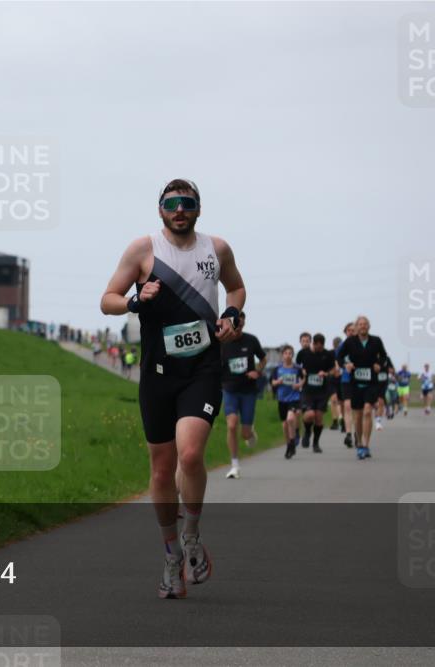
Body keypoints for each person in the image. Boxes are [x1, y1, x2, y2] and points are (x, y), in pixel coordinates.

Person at [100, 178, 245, 599]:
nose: (179, 209)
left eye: (187, 203)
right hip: (157, 373)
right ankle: (170, 554)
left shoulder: (216, 249)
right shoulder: (142, 251)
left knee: (191, 453)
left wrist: (233, 312)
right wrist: (133, 299)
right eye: (172, 203)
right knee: (162, 471)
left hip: (202, 368)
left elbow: (235, 286)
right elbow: (107, 298)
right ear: (160, 210)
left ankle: (193, 536)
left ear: (198, 209)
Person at [219, 311, 266, 478]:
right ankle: (234, 465)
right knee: (232, 424)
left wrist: (257, 372)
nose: (238, 328)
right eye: (236, 324)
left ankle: (250, 432)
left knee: (245, 433)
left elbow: (263, 359)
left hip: (248, 390)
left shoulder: (251, 340)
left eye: (241, 324)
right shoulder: (222, 341)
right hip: (229, 389)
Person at [337, 315, 390, 460]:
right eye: (360, 324)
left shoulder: (376, 341)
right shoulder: (350, 341)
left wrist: (379, 364)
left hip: (371, 383)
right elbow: (339, 357)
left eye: (365, 324)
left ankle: (366, 445)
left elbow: (384, 356)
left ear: (369, 326)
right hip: (355, 383)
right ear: (356, 327)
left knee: (367, 412)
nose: (363, 326)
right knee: (358, 415)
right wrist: (345, 365)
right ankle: (359, 443)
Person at [299, 333, 336, 453]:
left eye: (321, 347)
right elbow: (297, 366)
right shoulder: (304, 353)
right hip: (307, 390)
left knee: (319, 417)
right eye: (317, 347)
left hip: (322, 391)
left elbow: (333, 370)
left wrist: (325, 374)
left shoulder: (327, 354)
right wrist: (302, 371)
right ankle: (307, 431)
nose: (319, 349)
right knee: (310, 415)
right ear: (313, 344)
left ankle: (316, 443)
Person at [271, 344, 304, 459]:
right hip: (282, 399)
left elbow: (303, 380)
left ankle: (292, 441)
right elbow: (273, 383)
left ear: (292, 355)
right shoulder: (277, 369)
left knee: (290, 419)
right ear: (282, 355)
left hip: (294, 398)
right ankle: (289, 445)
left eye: (290, 353)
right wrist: (278, 382)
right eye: (285, 353)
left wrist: (299, 385)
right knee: (285, 424)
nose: (288, 355)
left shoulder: (297, 368)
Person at [335, 322, 357, 447]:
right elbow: (337, 359)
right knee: (347, 406)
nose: (350, 332)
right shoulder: (341, 346)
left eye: (353, 330)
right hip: (346, 379)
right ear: (345, 332)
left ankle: (357, 433)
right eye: (348, 330)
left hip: (359, 380)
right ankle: (349, 434)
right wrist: (341, 367)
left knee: (357, 409)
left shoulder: (361, 345)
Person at [328, 335, 343, 430]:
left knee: (340, 401)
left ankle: (342, 418)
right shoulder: (330, 354)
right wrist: (330, 371)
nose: (337, 346)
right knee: (333, 400)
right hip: (332, 378)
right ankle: (335, 420)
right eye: (336, 344)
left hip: (341, 378)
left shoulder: (344, 354)